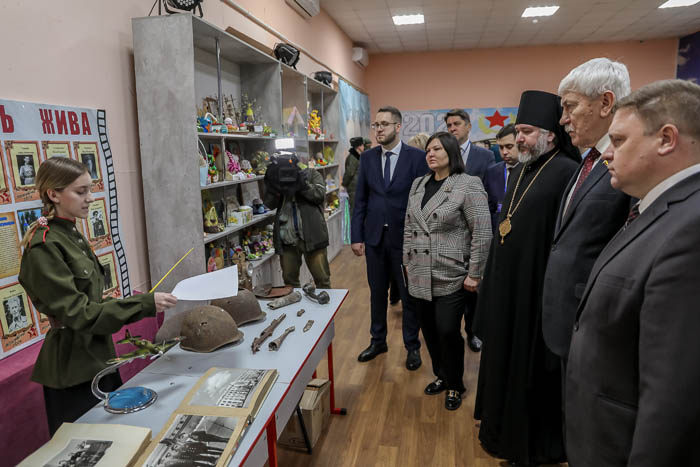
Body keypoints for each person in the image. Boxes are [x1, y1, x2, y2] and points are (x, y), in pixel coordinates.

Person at [566, 79, 700, 466]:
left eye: (619, 140)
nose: (607, 153)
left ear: (666, 140)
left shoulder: (691, 227)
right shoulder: (658, 207)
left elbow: (673, 395)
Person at [18, 157, 178, 435]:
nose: (90, 198)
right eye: (81, 192)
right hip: (73, 368)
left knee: (115, 435)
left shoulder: (69, 234)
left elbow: (92, 302)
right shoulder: (45, 246)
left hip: (97, 355)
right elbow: (79, 314)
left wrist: (144, 303)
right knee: (88, 443)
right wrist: (143, 304)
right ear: (54, 194)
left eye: (90, 190)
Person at [473, 90, 580, 466]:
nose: (519, 138)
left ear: (551, 134)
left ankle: (531, 446)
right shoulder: (519, 170)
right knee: (502, 363)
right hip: (506, 288)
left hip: (534, 294)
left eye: (527, 132)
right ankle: (500, 433)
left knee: (528, 372)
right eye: (517, 131)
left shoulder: (566, 172)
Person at [542, 58, 632, 368]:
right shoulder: (588, 160)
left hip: (597, 323)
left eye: (570, 106)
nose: (563, 119)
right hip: (567, 317)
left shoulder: (626, 164)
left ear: (605, 103)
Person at [403, 131, 491, 410]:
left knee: (448, 330)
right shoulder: (418, 183)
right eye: (428, 150)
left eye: (437, 149)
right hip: (419, 272)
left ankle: (455, 384)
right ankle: (441, 375)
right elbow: (409, 226)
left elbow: (482, 232)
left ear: (451, 152)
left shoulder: (468, 184)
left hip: (451, 272)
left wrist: (475, 273)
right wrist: (406, 263)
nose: (430, 153)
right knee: (428, 330)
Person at [351, 105, 429, 370]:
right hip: (375, 239)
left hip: (406, 239)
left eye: (384, 124)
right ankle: (378, 341)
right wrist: (356, 236)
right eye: (376, 124)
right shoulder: (367, 158)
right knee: (377, 293)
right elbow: (360, 199)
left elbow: (423, 200)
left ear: (398, 127)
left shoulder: (417, 158)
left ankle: (412, 346)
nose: (378, 129)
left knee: (408, 296)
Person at [444, 109, 495, 352]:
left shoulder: (485, 156)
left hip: (476, 229)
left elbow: (491, 192)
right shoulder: (443, 155)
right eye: (448, 125)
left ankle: (473, 332)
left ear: (468, 126)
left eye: (456, 124)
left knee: (474, 286)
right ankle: (451, 331)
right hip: (448, 231)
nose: (452, 128)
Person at [263, 154, 331, 288]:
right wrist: (274, 187)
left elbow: (319, 196)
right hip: (287, 238)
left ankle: (326, 301)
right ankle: (295, 303)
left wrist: (302, 185)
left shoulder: (312, 174)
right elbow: (269, 204)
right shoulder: (278, 178)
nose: (287, 172)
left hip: (312, 236)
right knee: (290, 283)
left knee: (322, 280)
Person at [483, 124, 519, 233]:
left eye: (509, 146)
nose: (504, 152)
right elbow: (488, 208)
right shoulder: (492, 172)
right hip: (497, 232)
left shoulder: (531, 170)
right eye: (501, 147)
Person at [342, 136, 365, 214]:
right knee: (354, 210)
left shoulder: (358, 156)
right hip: (354, 189)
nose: (363, 146)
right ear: (359, 147)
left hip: (357, 188)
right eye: (362, 145)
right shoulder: (353, 157)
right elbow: (349, 173)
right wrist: (343, 184)